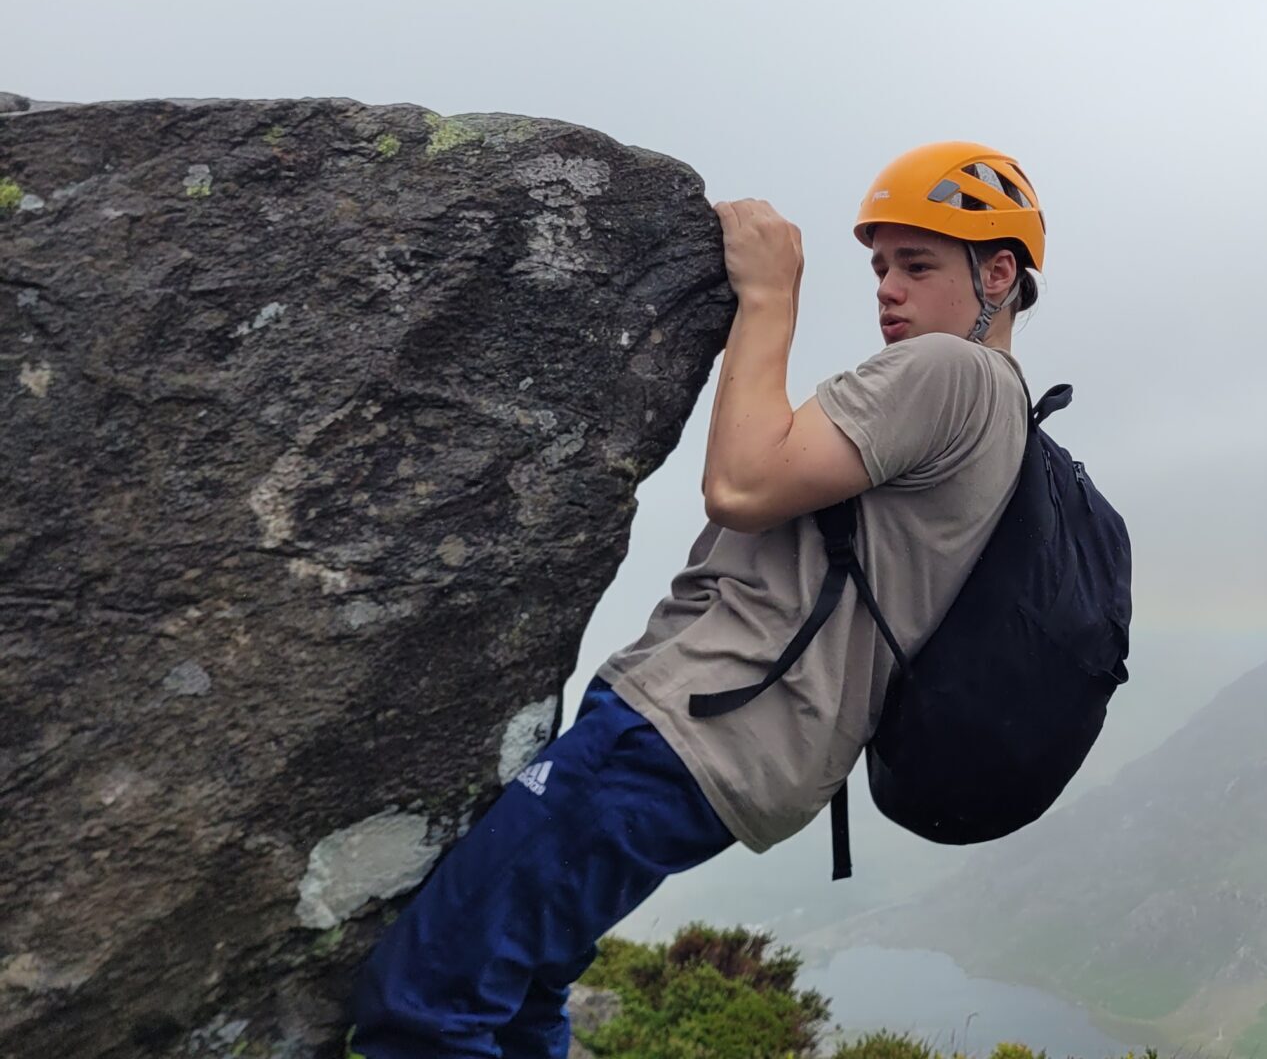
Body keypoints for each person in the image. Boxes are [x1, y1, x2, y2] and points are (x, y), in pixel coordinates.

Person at [349, 141, 1044, 1059]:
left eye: (917, 264)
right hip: (747, 750)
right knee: (519, 993)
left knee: (429, 1001)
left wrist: (768, 298)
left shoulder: (948, 373)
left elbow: (744, 486)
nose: (886, 288)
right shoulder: (1006, 410)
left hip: (689, 724)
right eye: (879, 265)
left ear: (997, 272)